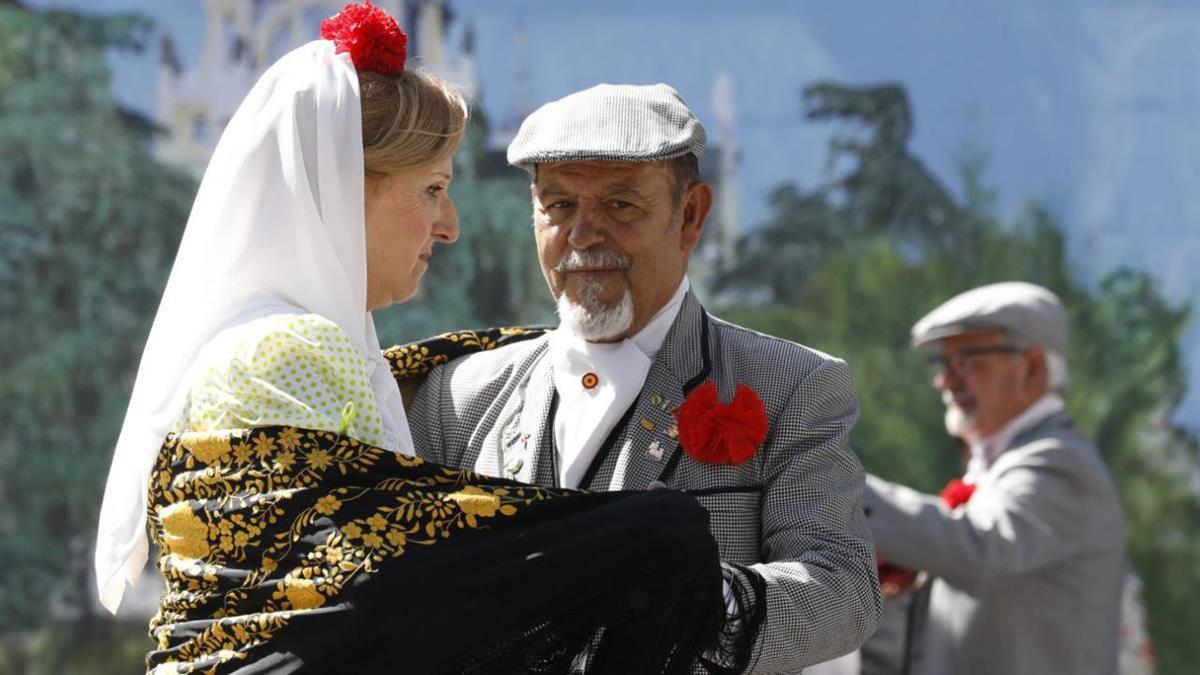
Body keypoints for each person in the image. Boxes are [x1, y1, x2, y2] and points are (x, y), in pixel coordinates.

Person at [94, 4, 728, 673]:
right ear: (346, 191)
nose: (448, 224)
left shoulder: (284, 340)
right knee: (661, 536)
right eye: (432, 189)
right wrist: (631, 539)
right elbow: (374, 584)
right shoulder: (289, 346)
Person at [407, 82, 881, 673]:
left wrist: (699, 599)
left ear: (691, 216)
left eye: (620, 205)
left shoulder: (793, 386)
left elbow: (844, 590)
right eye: (558, 207)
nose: (582, 235)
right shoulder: (457, 395)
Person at [862, 281, 1126, 674]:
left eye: (965, 361)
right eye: (942, 364)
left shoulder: (1060, 462)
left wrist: (837, 486)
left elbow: (978, 546)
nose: (945, 381)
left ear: (1032, 368)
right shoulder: (1013, 460)